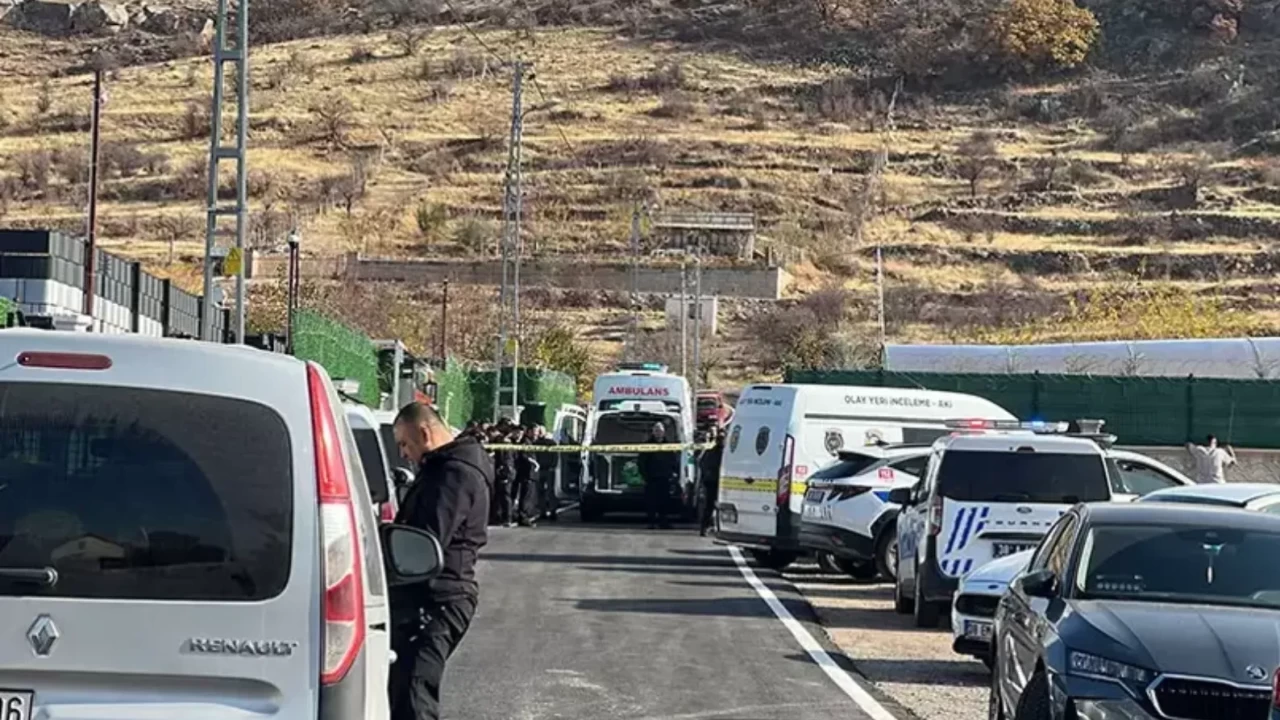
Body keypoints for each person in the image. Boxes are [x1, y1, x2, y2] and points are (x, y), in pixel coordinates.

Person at [390, 402, 492, 720]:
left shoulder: (453, 474)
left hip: (437, 599)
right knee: (404, 689)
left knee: (414, 695)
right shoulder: (446, 467)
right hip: (435, 596)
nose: (403, 454)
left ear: (424, 433)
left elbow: (426, 540)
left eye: (404, 443)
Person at [637, 422, 680, 529]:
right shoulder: (647, 445)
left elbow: (673, 460)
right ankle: (651, 522)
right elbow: (641, 462)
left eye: (660, 431)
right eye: (656, 431)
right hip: (651, 478)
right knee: (651, 501)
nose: (658, 433)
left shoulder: (668, 446)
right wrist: (645, 476)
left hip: (665, 478)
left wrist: (673, 473)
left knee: (664, 501)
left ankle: (663, 522)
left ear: (664, 432)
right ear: (653, 432)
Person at [696, 428, 724, 537]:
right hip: (713, 481)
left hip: (719, 481)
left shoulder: (722, 452)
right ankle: (705, 527)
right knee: (710, 505)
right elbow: (703, 464)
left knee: (713, 505)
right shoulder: (712, 452)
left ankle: (711, 526)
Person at [513, 427, 540, 527]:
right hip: (527, 473)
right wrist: (535, 463)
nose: (536, 434)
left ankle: (526, 516)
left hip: (530, 474)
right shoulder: (525, 442)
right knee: (526, 496)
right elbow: (525, 456)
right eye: (533, 431)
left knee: (529, 496)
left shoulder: (530, 442)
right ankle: (523, 517)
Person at [532, 425, 560, 521]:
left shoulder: (551, 443)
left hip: (549, 469)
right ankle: (542, 511)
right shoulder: (535, 443)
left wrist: (553, 466)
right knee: (540, 491)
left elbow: (555, 456)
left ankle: (553, 510)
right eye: (538, 431)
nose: (539, 433)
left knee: (550, 491)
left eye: (541, 431)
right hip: (539, 469)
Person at [489, 428, 515, 526]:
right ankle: (500, 517)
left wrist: (505, 472)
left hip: (505, 472)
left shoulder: (503, 443)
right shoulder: (499, 442)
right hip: (502, 471)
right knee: (499, 496)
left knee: (505, 495)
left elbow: (506, 459)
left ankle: (507, 518)